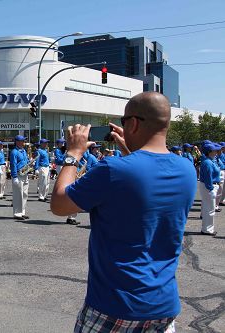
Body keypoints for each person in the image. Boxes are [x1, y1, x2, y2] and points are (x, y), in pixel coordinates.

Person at [50, 92, 196, 332]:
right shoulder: (187, 169)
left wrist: (73, 153)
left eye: (124, 120)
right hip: (163, 304)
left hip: (116, 304)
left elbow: (59, 204)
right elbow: (144, 179)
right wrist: (131, 150)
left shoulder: (113, 169)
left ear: (134, 123)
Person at [199, 142, 222, 236]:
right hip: (209, 187)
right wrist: (211, 189)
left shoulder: (209, 160)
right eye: (214, 151)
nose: (216, 152)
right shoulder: (208, 162)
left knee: (208, 209)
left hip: (210, 186)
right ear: (209, 152)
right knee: (210, 209)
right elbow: (208, 177)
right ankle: (207, 230)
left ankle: (206, 228)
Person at [10, 135, 30, 220]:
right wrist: (14, 176)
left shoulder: (23, 151)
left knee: (25, 194)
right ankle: (17, 213)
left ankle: (22, 211)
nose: (23, 142)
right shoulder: (14, 152)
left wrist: (30, 163)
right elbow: (13, 165)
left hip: (25, 174)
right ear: (17, 142)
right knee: (18, 194)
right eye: (22, 141)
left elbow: (26, 161)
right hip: (18, 174)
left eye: (23, 141)